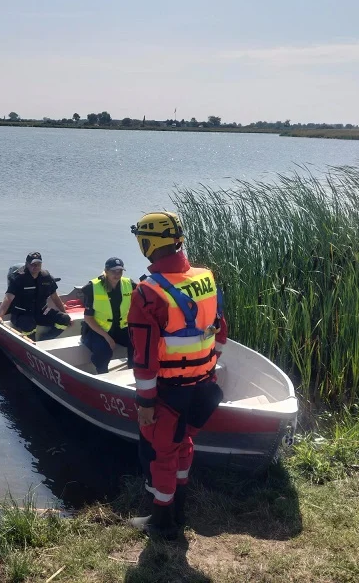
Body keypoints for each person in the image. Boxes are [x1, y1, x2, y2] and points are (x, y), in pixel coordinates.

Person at [126, 212, 228, 540]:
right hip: (204, 387)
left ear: (147, 243)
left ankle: (162, 522)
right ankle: (180, 507)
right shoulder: (206, 277)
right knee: (184, 444)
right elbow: (220, 331)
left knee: (161, 455)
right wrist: (207, 366)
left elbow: (144, 360)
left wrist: (145, 402)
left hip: (170, 392)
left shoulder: (147, 292)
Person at [0, 252, 71, 340]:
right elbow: (8, 298)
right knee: (29, 324)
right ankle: (31, 343)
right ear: (27, 264)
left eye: (38, 264)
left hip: (40, 313)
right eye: (33, 264)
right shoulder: (18, 278)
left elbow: (55, 297)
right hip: (21, 315)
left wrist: (64, 312)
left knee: (64, 318)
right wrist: (0, 316)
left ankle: (46, 338)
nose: (36, 267)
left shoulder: (46, 277)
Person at [81, 257, 136, 374]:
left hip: (120, 328)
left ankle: (133, 372)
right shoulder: (92, 287)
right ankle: (102, 374)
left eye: (120, 271)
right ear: (106, 271)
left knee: (137, 341)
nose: (117, 274)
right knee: (103, 351)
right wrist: (107, 337)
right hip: (96, 330)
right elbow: (88, 318)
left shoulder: (129, 284)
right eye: (113, 271)